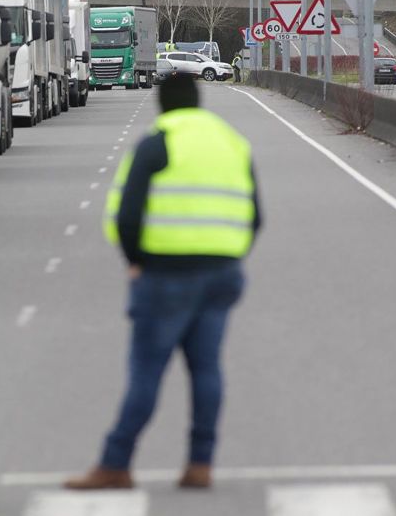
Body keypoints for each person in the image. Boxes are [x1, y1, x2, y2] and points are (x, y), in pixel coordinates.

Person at [66, 74, 261, 492]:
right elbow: (256, 215)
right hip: (222, 273)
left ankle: (115, 463)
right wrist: (227, 253)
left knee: (147, 372)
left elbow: (128, 214)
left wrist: (135, 261)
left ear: (162, 104)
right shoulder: (233, 143)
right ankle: (200, 464)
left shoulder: (157, 143)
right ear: (198, 101)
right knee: (207, 369)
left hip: (165, 275)